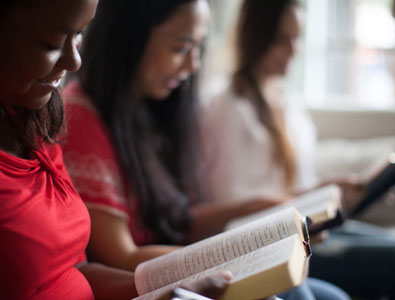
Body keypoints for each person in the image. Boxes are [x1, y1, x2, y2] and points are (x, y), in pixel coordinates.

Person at [61, 0, 350, 299]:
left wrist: (251, 210)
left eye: (198, 48)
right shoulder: (82, 115)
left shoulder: (148, 110)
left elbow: (179, 221)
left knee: (333, 296)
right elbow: (118, 255)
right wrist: (227, 260)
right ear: (127, 39)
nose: (193, 65)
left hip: (172, 266)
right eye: (180, 48)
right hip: (149, 283)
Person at [202, 0, 395, 299]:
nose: (294, 50)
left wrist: (339, 190)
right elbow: (237, 210)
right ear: (256, 36)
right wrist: (309, 196)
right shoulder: (226, 107)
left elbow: (297, 185)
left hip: (307, 228)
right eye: (283, 39)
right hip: (274, 244)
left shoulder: (287, 102)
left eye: (298, 38)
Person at [0, 0, 241, 299]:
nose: (75, 61)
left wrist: (171, 289)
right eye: (51, 43)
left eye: (79, 36)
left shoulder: (35, 123)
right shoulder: (79, 114)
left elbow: (75, 271)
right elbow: (117, 255)